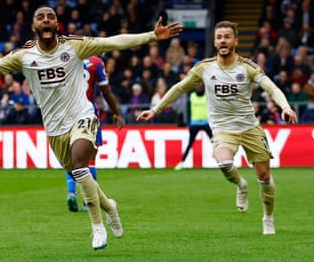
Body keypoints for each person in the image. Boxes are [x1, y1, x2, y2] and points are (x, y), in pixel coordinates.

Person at [0, 5, 183, 249]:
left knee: (81, 164)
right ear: (34, 27)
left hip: (83, 115)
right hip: (55, 129)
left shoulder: (75, 46)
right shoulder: (24, 56)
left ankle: (97, 226)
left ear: (57, 24)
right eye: (41, 17)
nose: (46, 20)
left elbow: (113, 42)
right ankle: (109, 206)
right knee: (81, 175)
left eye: (51, 17)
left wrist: (151, 36)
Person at [137, 21, 297, 235]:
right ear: (214, 42)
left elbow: (271, 87)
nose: (223, 40)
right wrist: (155, 109)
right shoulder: (205, 67)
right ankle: (241, 185)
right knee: (223, 162)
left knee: (264, 177)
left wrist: (285, 107)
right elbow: (179, 88)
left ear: (235, 41)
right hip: (223, 129)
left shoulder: (246, 67)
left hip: (249, 127)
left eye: (227, 36)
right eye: (219, 36)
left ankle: (268, 218)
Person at [66, 55, 124, 213]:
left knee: (70, 158)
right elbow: (106, 90)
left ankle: (71, 192)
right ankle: (87, 201)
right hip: (88, 113)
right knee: (90, 159)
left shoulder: (66, 58)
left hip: (68, 113)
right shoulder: (96, 62)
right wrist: (116, 113)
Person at [174, 83, 213, 170]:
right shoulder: (191, 96)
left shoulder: (208, 96)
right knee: (190, 144)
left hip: (206, 123)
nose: (199, 87)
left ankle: (223, 161)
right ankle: (182, 162)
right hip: (194, 123)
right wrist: (188, 123)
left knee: (214, 143)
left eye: (201, 86)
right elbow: (187, 110)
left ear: (204, 87)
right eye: (198, 86)